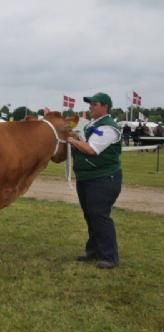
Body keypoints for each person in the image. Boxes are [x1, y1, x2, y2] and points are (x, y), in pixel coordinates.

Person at [67, 92, 122, 269]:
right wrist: (76, 138)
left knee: (99, 215)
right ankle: (93, 250)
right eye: (90, 104)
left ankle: (109, 256)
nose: (90, 106)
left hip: (103, 178)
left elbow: (91, 149)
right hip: (87, 177)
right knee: (90, 215)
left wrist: (71, 140)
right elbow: (85, 140)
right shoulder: (93, 124)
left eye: (94, 104)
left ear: (105, 106)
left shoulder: (108, 127)